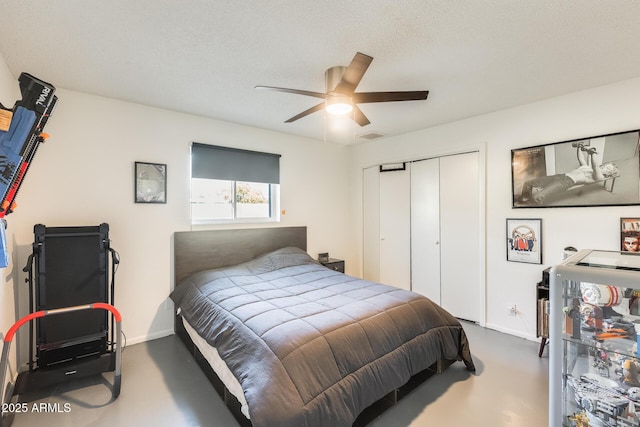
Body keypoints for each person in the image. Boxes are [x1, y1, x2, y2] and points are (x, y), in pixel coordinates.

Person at [519, 143, 619, 205]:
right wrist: (579, 147)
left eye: (607, 168)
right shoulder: (587, 168)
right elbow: (581, 158)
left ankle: (536, 211)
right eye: (606, 165)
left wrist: (592, 154)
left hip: (566, 182)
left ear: (608, 174)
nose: (604, 166)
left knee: (538, 197)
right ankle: (525, 198)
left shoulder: (599, 177)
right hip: (560, 176)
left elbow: (595, 167)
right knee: (528, 183)